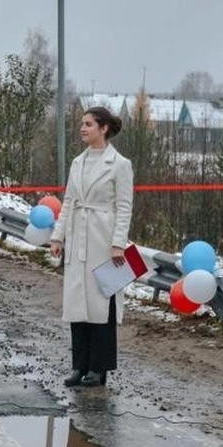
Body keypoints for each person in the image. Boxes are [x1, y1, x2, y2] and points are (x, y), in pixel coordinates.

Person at [48, 106, 134, 388]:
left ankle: (99, 368)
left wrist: (118, 244)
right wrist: (58, 237)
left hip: (103, 239)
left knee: (101, 303)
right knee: (77, 304)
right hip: (78, 238)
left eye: (88, 124)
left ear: (103, 128)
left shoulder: (120, 165)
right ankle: (78, 365)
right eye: (82, 124)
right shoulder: (78, 162)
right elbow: (69, 201)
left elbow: (124, 207)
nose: (82, 128)